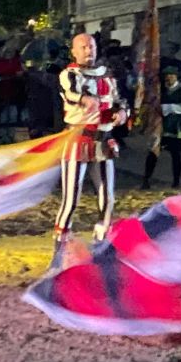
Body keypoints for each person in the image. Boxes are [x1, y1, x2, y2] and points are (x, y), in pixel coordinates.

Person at [51, 33, 125, 265]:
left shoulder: (107, 75)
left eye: (91, 46)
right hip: (78, 139)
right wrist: (85, 100)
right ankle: (59, 254)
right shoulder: (69, 74)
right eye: (83, 47)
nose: (88, 51)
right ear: (74, 51)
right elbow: (71, 93)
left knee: (108, 198)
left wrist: (122, 113)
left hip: (103, 139)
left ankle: (101, 247)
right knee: (71, 200)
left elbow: (119, 101)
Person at [140, 68, 181, 190]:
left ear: (176, 77)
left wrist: (166, 108)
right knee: (153, 153)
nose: (169, 78)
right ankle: (146, 179)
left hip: (176, 128)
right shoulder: (160, 90)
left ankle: (176, 181)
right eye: (167, 76)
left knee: (176, 155)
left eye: (172, 76)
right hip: (160, 127)